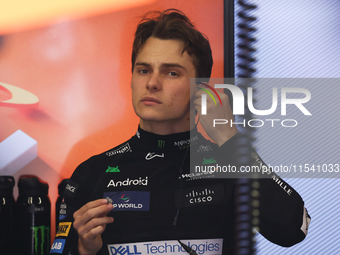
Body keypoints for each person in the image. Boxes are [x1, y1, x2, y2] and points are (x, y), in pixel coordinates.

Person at [49, 9, 310, 255]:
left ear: (201, 89)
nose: (151, 83)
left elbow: (291, 230)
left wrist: (230, 139)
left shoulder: (230, 164)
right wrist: (84, 250)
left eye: (171, 72)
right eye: (143, 70)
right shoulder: (91, 174)